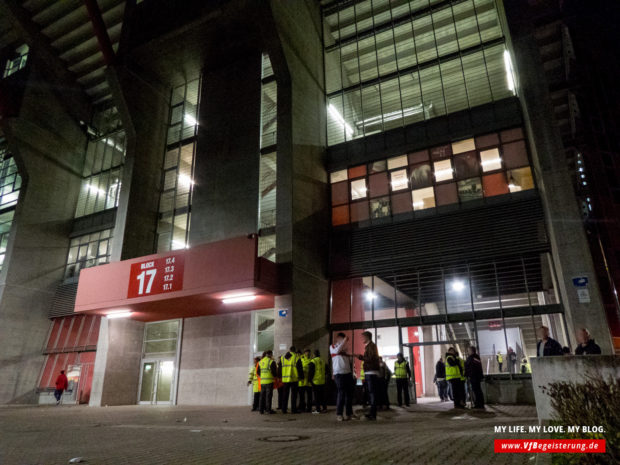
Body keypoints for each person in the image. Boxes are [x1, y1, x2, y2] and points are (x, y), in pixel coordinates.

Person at [330, 332, 354, 421]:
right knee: (341, 393)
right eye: (342, 339)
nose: (344, 341)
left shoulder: (345, 348)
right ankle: (339, 414)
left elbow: (348, 361)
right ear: (338, 338)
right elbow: (337, 351)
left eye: (344, 340)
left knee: (349, 394)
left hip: (347, 373)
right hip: (339, 374)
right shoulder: (332, 347)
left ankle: (349, 413)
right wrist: (344, 341)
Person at [357, 331, 380, 420]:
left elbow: (370, 358)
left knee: (372, 393)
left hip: (371, 372)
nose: (362, 339)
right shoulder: (370, 346)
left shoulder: (371, 346)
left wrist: (361, 357)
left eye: (363, 337)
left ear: (367, 337)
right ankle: (372, 413)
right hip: (370, 372)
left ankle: (373, 414)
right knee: (371, 393)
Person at [280, 346, 303, 414]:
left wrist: (281, 377)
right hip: (294, 379)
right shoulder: (296, 357)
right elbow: (299, 369)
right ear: (295, 350)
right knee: (294, 396)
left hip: (285, 380)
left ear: (289, 350)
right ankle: (293, 410)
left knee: (285, 395)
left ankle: (284, 409)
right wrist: (301, 377)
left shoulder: (283, 357)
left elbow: (280, 368)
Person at [308, 349, 327, 414]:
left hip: (315, 381)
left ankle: (318, 409)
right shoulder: (322, 360)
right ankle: (324, 408)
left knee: (316, 396)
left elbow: (311, 372)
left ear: (314, 354)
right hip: (322, 381)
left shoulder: (313, 361)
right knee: (322, 396)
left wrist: (309, 380)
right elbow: (327, 371)